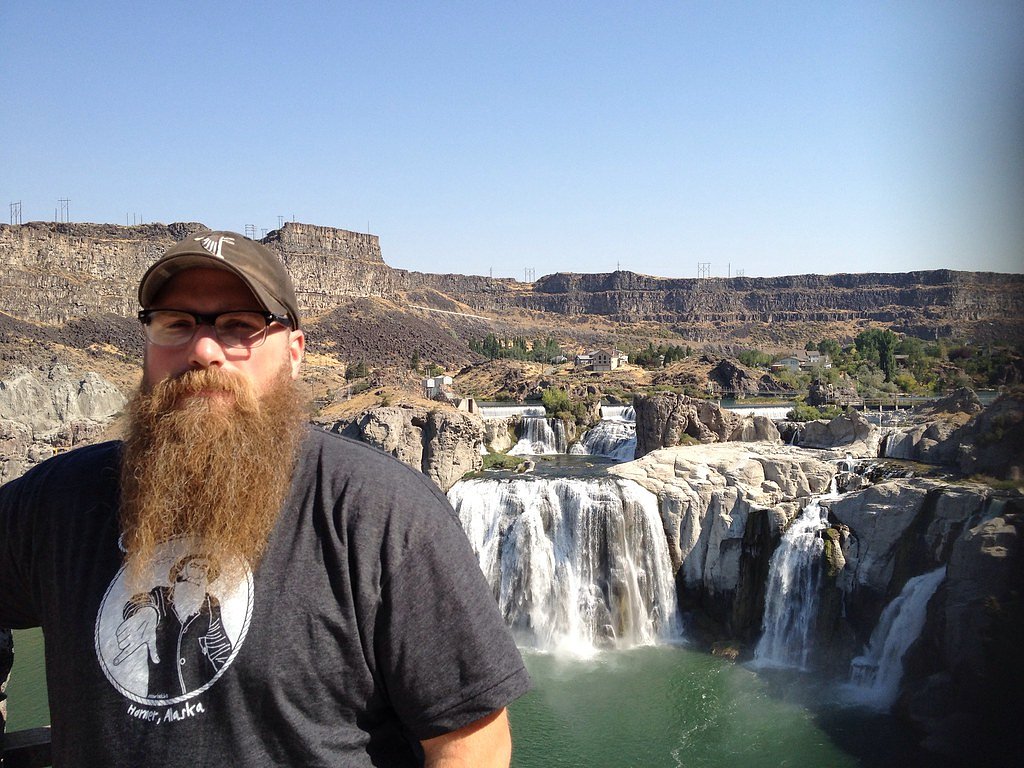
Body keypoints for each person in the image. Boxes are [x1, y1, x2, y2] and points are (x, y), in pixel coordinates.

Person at [0, 230, 530, 766]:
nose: (203, 350)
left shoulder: (380, 512)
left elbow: (473, 747)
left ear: (294, 354)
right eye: (175, 323)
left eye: (239, 326)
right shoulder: (57, 501)